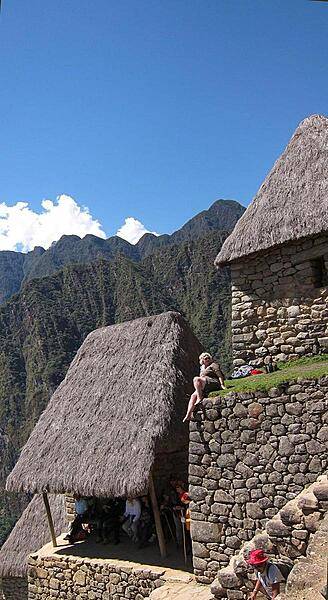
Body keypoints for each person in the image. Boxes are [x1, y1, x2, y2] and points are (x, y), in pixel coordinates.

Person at [183, 352, 226, 422]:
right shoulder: (202, 368)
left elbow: (219, 375)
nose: (208, 359)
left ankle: (200, 397)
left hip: (213, 382)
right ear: (202, 360)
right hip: (205, 383)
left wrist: (222, 385)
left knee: (196, 379)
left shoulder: (213, 365)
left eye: (209, 358)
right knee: (193, 396)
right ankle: (188, 414)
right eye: (206, 358)